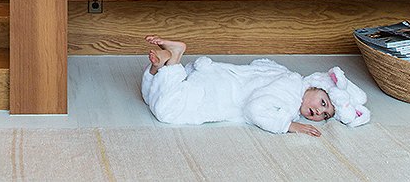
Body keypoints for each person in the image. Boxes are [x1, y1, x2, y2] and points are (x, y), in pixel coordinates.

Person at [141, 36, 371, 136]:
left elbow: (261, 64)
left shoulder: (287, 76)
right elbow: (255, 108)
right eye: (323, 102)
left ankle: (159, 67)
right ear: (314, 86)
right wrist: (288, 125)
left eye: (324, 115)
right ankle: (175, 59)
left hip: (214, 75)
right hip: (217, 93)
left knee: (150, 96)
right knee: (167, 112)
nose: (319, 111)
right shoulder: (290, 95)